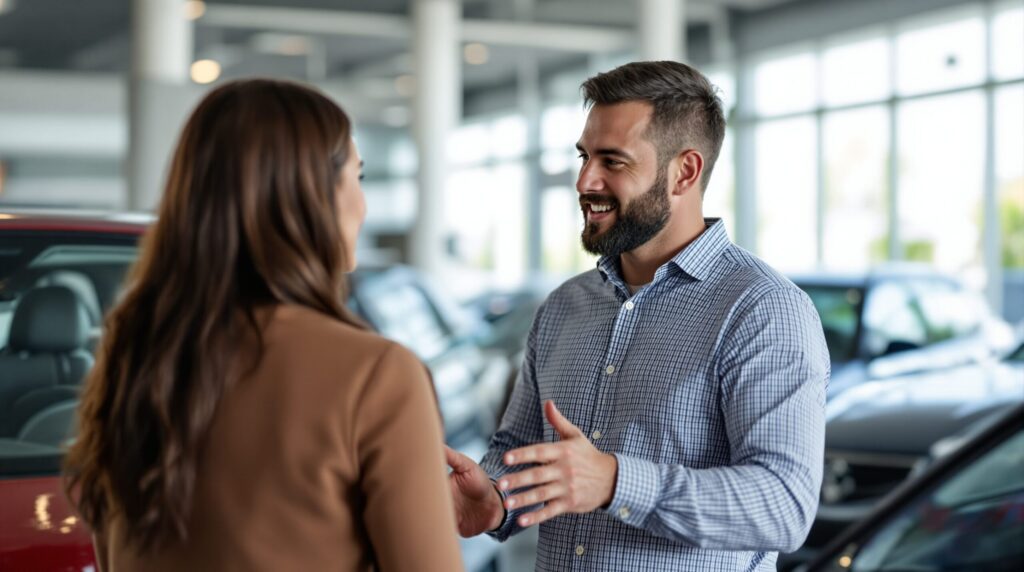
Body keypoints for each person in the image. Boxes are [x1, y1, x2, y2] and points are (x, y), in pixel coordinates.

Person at [64, 79, 463, 572]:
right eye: (356, 177)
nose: (363, 205)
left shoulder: (131, 356)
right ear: (311, 197)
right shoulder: (378, 374)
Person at [445, 61, 829, 570]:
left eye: (613, 161)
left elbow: (783, 506)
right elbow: (518, 447)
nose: (585, 180)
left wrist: (615, 482)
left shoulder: (762, 310)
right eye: (584, 156)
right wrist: (497, 500)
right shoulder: (562, 307)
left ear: (684, 172)